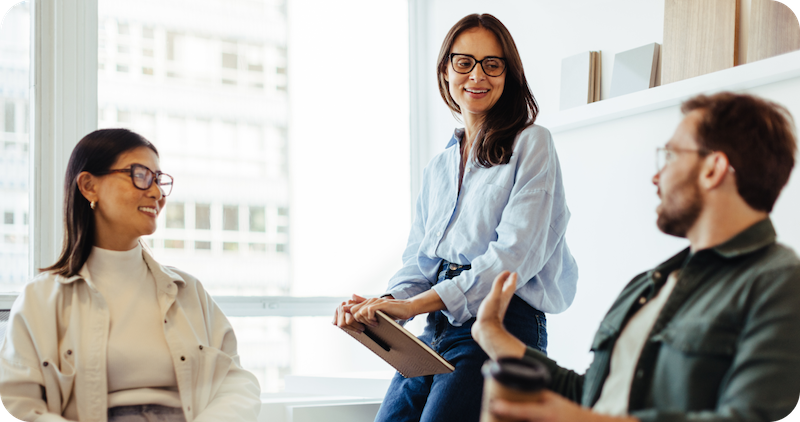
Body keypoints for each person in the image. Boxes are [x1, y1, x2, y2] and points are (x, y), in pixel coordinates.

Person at [472, 92, 800, 422]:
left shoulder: (779, 281)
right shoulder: (649, 285)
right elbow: (590, 398)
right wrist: (491, 334)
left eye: (670, 156)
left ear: (713, 169)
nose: (656, 177)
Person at [333, 13, 578, 422]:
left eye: (492, 64)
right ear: (446, 70)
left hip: (502, 318)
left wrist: (413, 306)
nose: (476, 75)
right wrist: (382, 307)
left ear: (508, 73)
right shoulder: (439, 166)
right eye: (464, 62)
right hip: (438, 323)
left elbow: (510, 262)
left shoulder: (533, 143)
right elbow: (420, 261)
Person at [0, 129, 261, 422]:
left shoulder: (189, 291)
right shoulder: (40, 300)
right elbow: (18, 405)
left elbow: (236, 383)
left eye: (159, 179)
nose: (157, 192)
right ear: (88, 186)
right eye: (140, 175)